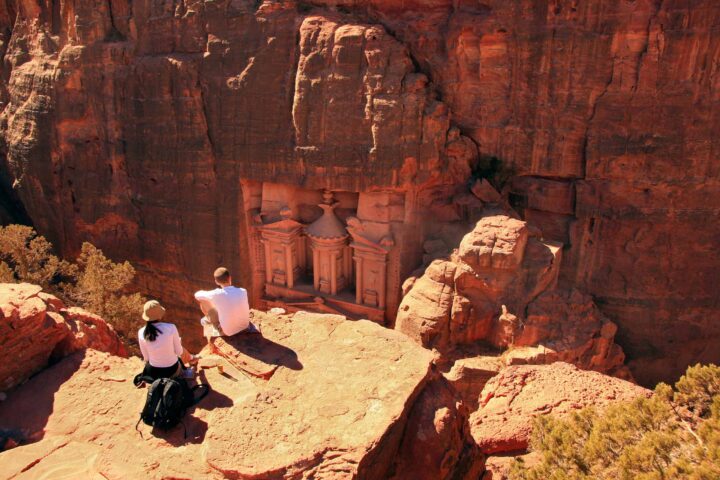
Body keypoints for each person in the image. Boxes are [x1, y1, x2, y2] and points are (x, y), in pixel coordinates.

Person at [137, 300, 197, 380]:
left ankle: (191, 358)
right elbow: (179, 352)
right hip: (171, 371)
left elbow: (146, 358)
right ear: (160, 315)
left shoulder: (141, 332)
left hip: (154, 373)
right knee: (178, 354)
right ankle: (189, 364)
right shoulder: (171, 327)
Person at [194, 267, 256, 343]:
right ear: (230, 278)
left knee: (203, 302)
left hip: (228, 332)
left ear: (216, 282)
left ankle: (212, 322)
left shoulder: (216, 294)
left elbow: (197, 295)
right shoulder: (243, 291)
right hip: (245, 327)